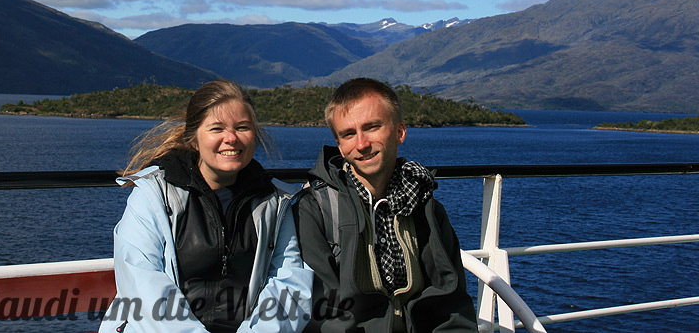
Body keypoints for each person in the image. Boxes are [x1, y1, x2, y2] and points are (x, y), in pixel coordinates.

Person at [99, 80, 313, 333]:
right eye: (216, 128)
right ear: (194, 139)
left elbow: (288, 282)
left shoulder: (275, 202)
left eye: (242, 127)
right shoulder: (154, 194)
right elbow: (142, 282)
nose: (231, 138)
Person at [294, 78, 478, 332]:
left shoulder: (425, 207)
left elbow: (451, 305)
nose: (361, 144)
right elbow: (322, 315)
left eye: (372, 128)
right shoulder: (315, 209)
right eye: (348, 134)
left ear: (400, 132)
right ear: (339, 146)